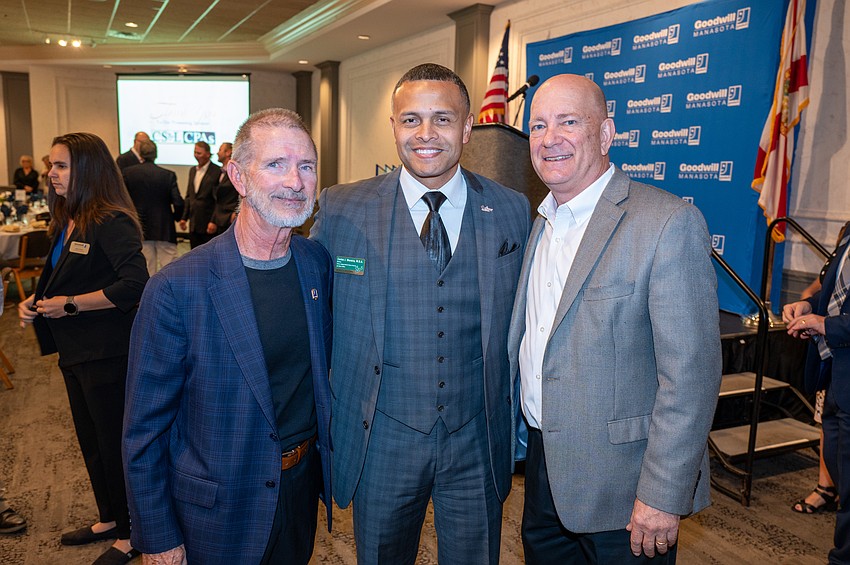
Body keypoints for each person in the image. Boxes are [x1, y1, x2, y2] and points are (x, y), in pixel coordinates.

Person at [312, 63, 530, 564]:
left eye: (442, 119)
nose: (425, 134)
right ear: (393, 127)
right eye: (411, 119)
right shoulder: (342, 208)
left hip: (476, 437)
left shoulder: (512, 208)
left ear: (468, 127)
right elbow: (312, 310)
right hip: (380, 438)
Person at [508, 74, 722, 564]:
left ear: (605, 134)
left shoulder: (666, 222)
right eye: (538, 125)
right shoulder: (541, 223)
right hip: (543, 474)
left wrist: (662, 494)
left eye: (568, 122)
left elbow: (690, 377)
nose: (549, 138)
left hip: (627, 493)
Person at [123, 108, 332, 565]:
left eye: (307, 165)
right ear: (238, 176)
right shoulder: (177, 287)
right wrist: (157, 537)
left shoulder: (316, 263)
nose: (295, 181)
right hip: (215, 510)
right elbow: (144, 429)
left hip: (299, 494)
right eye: (275, 164)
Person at [18, 132, 148, 565]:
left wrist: (71, 304)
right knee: (91, 440)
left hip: (107, 352)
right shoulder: (68, 218)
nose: (51, 174)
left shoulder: (111, 220)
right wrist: (35, 300)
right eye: (50, 165)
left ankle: (131, 534)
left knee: (113, 443)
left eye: (61, 166)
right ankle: (109, 517)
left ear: (87, 170)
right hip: (75, 351)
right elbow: (63, 277)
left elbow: (135, 284)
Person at [783, 221, 850, 564]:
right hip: (836, 379)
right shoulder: (848, 234)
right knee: (843, 481)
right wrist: (809, 306)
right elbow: (835, 293)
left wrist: (825, 325)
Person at [122, 140, 184, 274]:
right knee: (170, 268)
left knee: (147, 268)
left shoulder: (128, 173)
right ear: (155, 154)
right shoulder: (168, 175)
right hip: (164, 227)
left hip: (141, 227)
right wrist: (176, 217)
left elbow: (123, 200)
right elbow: (178, 202)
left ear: (140, 154)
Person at [179, 141, 221, 248]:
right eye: (195, 152)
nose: (196, 156)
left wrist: (213, 221)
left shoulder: (217, 171)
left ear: (207, 154)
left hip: (208, 223)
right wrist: (184, 218)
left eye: (199, 153)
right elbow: (189, 196)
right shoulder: (192, 170)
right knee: (194, 252)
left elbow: (218, 200)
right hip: (194, 223)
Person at [209, 142, 239, 235]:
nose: (217, 153)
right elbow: (217, 200)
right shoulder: (218, 172)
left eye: (220, 150)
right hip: (219, 220)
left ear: (228, 152)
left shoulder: (236, 172)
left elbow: (240, 194)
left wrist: (236, 213)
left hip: (230, 219)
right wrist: (213, 220)